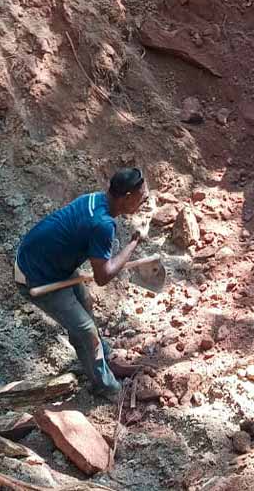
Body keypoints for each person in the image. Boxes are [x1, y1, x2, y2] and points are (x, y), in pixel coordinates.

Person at [14, 168, 150, 397]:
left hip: (51, 262)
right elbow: (103, 276)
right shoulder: (103, 224)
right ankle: (106, 386)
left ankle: (102, 359)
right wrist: (134, 242)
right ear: (126, 197)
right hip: (35, 276)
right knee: (86, 330)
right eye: (142, 196)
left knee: (85, 302)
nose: (145, 200)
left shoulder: (95, 199)